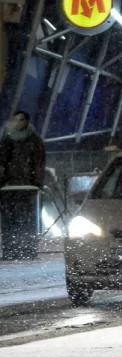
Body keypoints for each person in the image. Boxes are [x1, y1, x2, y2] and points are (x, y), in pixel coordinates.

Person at [0, 111, 46, 260]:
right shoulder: (7, 139)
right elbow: (2, 161)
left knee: (27, 218)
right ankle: (10, 250)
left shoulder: (34, 140)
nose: (17, 123)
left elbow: (39, 163)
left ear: (26, 121)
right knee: (10, 218)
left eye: (20, 120)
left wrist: (37, 183)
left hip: (27, 187)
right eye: (15, 120)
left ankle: (27, 249)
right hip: (10, 187)